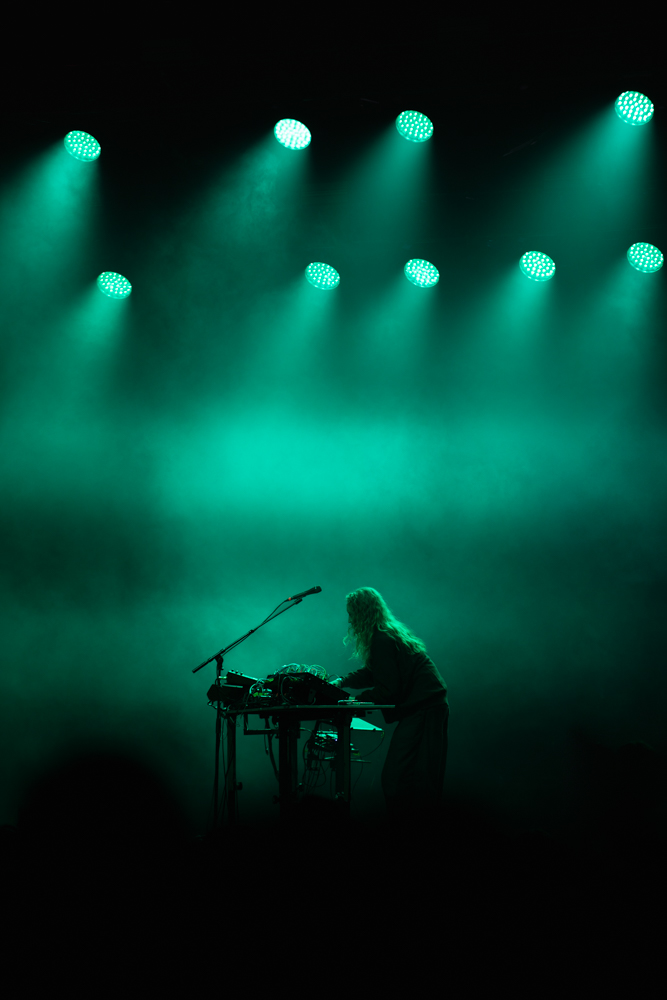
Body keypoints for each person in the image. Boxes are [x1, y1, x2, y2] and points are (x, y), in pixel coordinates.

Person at [331, 586, 449, 830]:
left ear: (362, 613)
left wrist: (353, 701)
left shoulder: (382, 640)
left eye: (352, 613)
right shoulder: (387, 635)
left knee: (401, 779)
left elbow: (388, 689)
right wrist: (342, 682)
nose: (350, 620)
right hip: (426, 705)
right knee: (413, 777)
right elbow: (375, 673)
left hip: (425, 707)